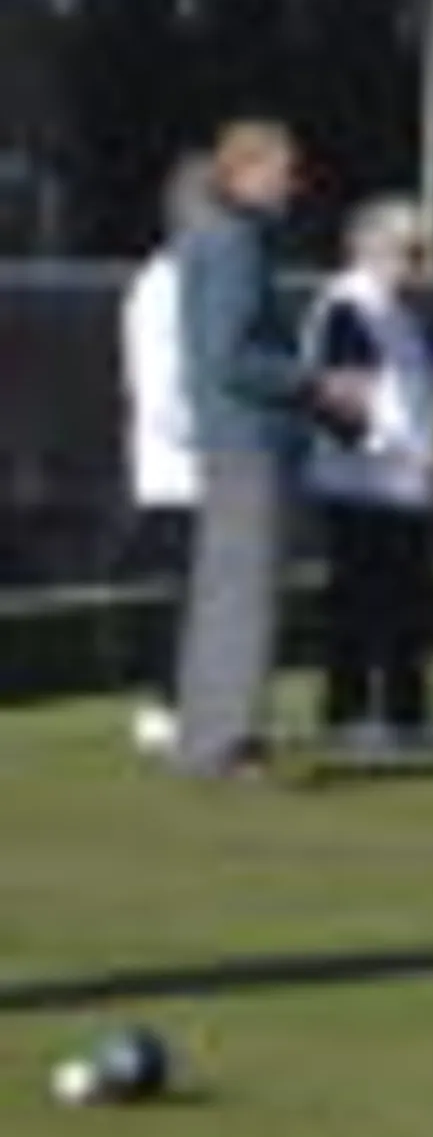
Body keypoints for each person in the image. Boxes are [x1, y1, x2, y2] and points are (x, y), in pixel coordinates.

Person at [172, 121, 364, 779]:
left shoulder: (221, 236)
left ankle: (209, 737)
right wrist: (314, 381)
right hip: (249, 441)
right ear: (246, 172)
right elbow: (231, 356)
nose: (296, 184)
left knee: (226, 595)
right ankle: (226, 743)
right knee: (243, 599)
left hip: (238, 440)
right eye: (286, 171)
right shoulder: (232, 242)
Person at [304, 198, 433, 754]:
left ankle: (408, 716)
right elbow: (340, 401)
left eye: (422, 250)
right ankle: (348, 717)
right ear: (369, 248)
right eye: (411, 250)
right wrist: (394, 452)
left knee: (409, 605)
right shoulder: (347, 306)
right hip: (361, 484)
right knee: (360, 607)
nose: (420, 263)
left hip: (404, 485)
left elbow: (408, 395)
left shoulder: (398, 310)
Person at [118, 152, 213, 758]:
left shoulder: (208, 281)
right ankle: (162, 705)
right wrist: (218, 437)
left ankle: (201, 704)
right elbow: (159, 394)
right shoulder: (157, 288)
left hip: (214, 470)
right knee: (178, 594)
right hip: (175, 474)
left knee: (209, 598)